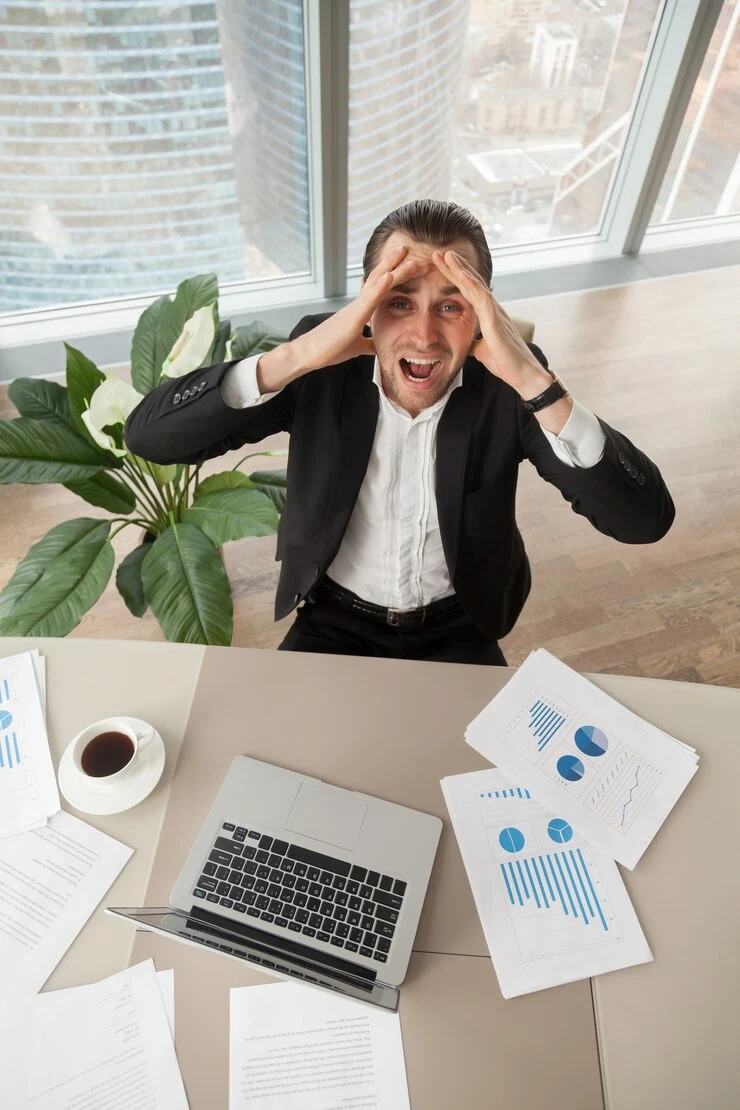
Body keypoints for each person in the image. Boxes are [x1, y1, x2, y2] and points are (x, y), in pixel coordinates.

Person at [125, 199, 674, 665]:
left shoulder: (513, 383)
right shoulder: (320, 361)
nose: (424, 334)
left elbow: (644, 522)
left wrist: (535, 380)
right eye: (400, 301)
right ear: (368, 303)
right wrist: (292, 358)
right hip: (334, 621)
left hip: (463, 625)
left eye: (451, 305)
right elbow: (150, 439)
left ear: (483, 314)